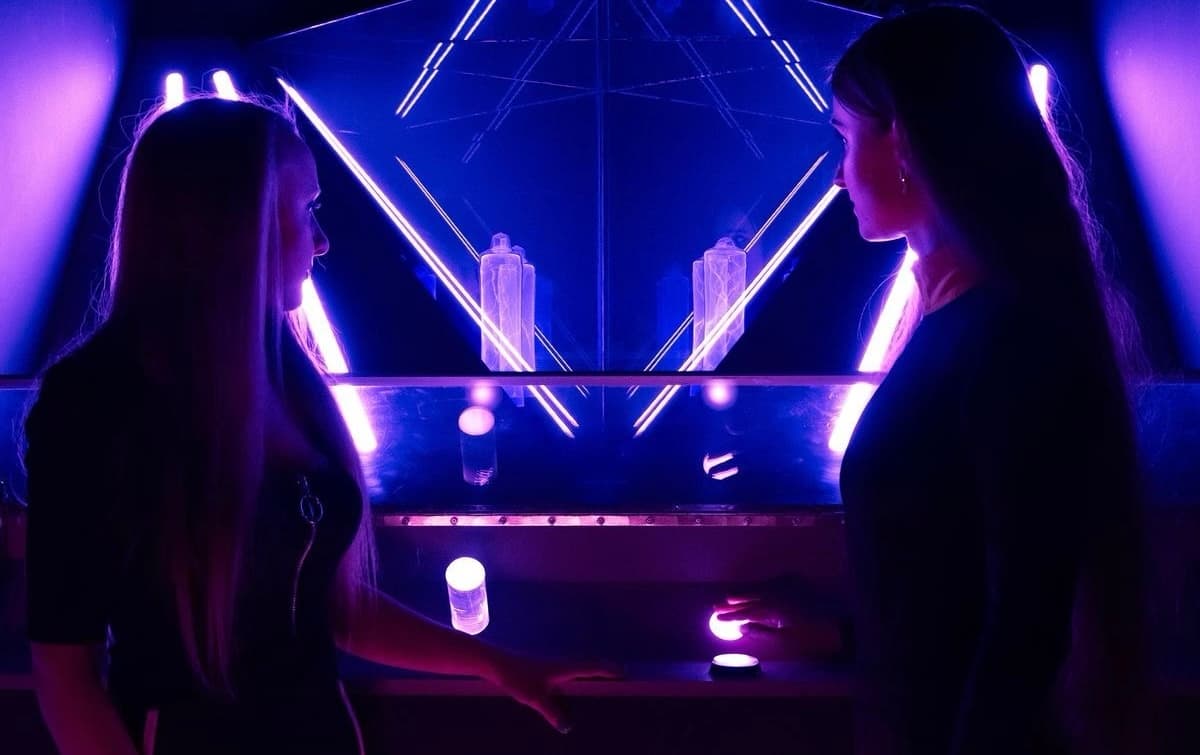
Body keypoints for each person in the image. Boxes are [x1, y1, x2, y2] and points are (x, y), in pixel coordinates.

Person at [22, 96, 613, 755]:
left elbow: (329, 607)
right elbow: (65, 671)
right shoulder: (91, 404)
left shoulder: (282, 368)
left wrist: (496, 664)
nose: (323, 240)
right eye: (306, 210)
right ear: (234, 226)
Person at [718, 6, 1146, 755]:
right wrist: (840, 635)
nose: (839, 172)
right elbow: (962, 593)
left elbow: (1025, 624)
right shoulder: (974, 329)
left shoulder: (1007, 343)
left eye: (845, 137)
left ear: (906, 143)